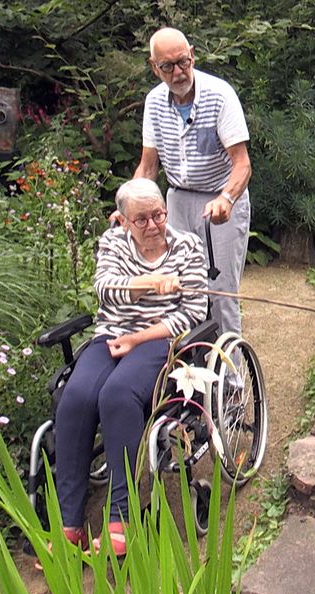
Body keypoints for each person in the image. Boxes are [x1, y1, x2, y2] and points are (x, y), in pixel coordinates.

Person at [52, 178, 206, 557]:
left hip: (160, 340)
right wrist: (150, 283)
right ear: (122, 221)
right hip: (111, 335)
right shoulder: (112, 243)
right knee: (75, 398)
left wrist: (139, 338)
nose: (154, 225)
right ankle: (68, 522)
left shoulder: (187, 247)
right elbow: (105, 287)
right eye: (142, 219)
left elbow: (194, 312)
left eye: (159, 215)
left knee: (118, 395)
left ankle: (121, 515)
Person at [132, 26, 252, 338]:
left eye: (183, 62)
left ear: (193, 56)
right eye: (167, 66)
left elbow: (242, 164)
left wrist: (226, 198)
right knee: (179, 290)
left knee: (221, 293)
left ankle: (232, 381)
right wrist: (129, 208)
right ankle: (191, 374)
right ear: (154, 67)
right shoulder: (154, 103)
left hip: (222, 198)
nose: (178, 72)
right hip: (178, 202)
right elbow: (148, 167)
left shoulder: (220, 94)